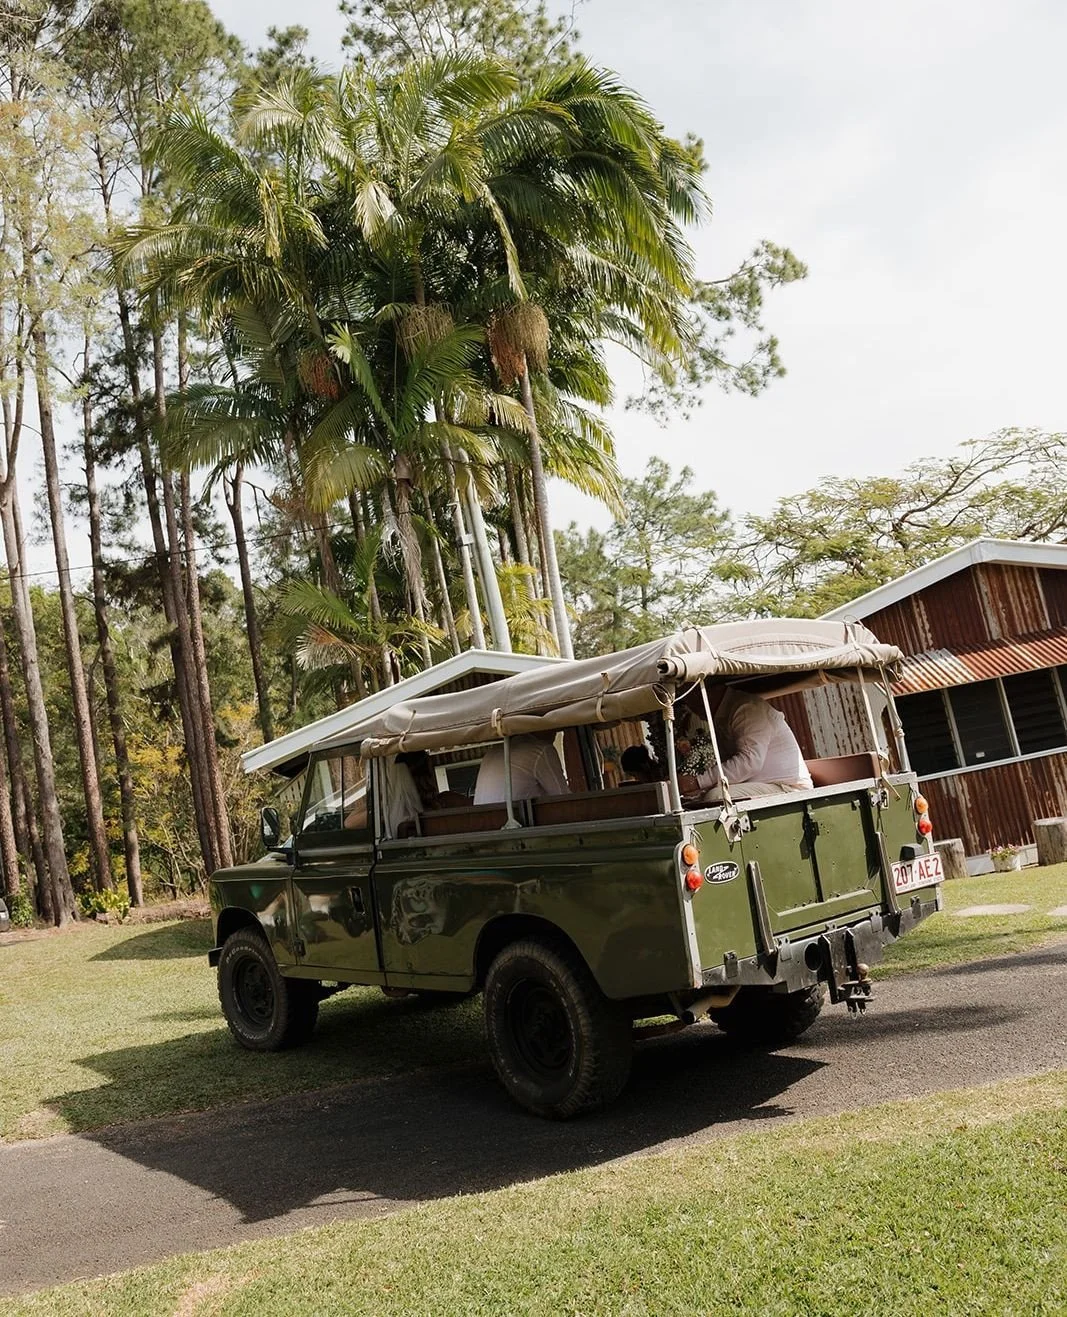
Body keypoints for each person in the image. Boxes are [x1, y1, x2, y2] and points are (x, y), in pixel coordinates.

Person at [677, 685, 812, 801]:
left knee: (717, 797)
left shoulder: (746, 708)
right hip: (766, 785)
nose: (691, 706)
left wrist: (697, 782)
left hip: (788, 789)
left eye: (689, 697)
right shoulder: (724, 714)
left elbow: (750, 762)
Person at [473, 732, 569, 805]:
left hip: (483, 827)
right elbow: (564, 798)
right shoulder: (541, 749)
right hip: (516, 826)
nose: (555, 733)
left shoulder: (491, 752)